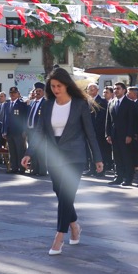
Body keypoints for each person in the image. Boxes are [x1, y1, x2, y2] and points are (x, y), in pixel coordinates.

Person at [22, 67, 103, 256]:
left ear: (66, 85)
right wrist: (29, 153)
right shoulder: (47, 105)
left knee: (66, 195)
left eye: (59, 85)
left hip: (75, 156)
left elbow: (90, 132)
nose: (56, 89)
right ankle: (74, 225)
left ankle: (59, 237)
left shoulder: (79, 104)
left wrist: (98, 158)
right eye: (53, 86)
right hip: (54, 156)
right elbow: (40, 131)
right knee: (60, 193)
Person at [106, 81, 136, 186]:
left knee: (126, 157)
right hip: (114, 135)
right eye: (114, 89)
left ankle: (128, 178)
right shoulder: (111, 102)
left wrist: (130, 135)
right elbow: (108, 120)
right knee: (116, 157)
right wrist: (107, 134)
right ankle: (118, 177)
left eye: (118, 88)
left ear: (124, 90)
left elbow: (132, 121)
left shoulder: (130, 103)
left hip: (125, 135)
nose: (116, 90)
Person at [85, 84, 109, 177]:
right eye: (89, 89)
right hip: (88, 130)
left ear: (97, 90)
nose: (90, 91)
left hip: (98, 130)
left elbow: (102, 117)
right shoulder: (86, 101)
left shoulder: (102, 101)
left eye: (93, 89)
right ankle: (92, 169)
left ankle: (101, 170)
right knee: (90, 150)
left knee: (100, 150)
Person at [2, 86, 27, 173]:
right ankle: (14, 167)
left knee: (20, 150)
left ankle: (21, 168)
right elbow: (5, 118)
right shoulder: (7, 104)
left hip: (19, 131)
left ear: (18, 94)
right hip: (9, 131)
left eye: (15, 93)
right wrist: (4, 131)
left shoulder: (22, 104)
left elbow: (24, 119)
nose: (13, 94)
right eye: (11, 93)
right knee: (12, 150)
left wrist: (24, 130)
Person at [25, 82, 48, 176]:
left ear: (43, 92)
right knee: (32, 151)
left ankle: (42, 170)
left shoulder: (46, 103)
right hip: (30, 130)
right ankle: (34, 169)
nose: (37, 92)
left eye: (39, 91)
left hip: (40, 131)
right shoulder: (32, 102)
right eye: (36, 91)